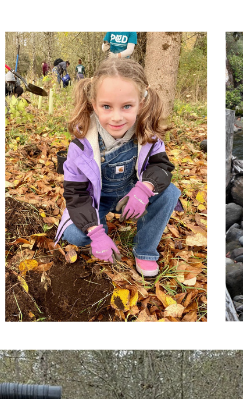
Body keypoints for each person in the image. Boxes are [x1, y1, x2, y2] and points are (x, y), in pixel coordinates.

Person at [54, 58, 181, 278]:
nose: (116, 117)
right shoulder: (80, 144)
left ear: (141, 103)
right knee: (76, 234)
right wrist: (95, 232)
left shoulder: (147, 135)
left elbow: (161, 166)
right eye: (106, 106)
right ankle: (100, 229)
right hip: (97, 200)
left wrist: (145, 189)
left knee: (169, 192)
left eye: (127, 107)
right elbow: (75, 194)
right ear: (94, 104)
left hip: (131, 196)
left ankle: (145, 250)